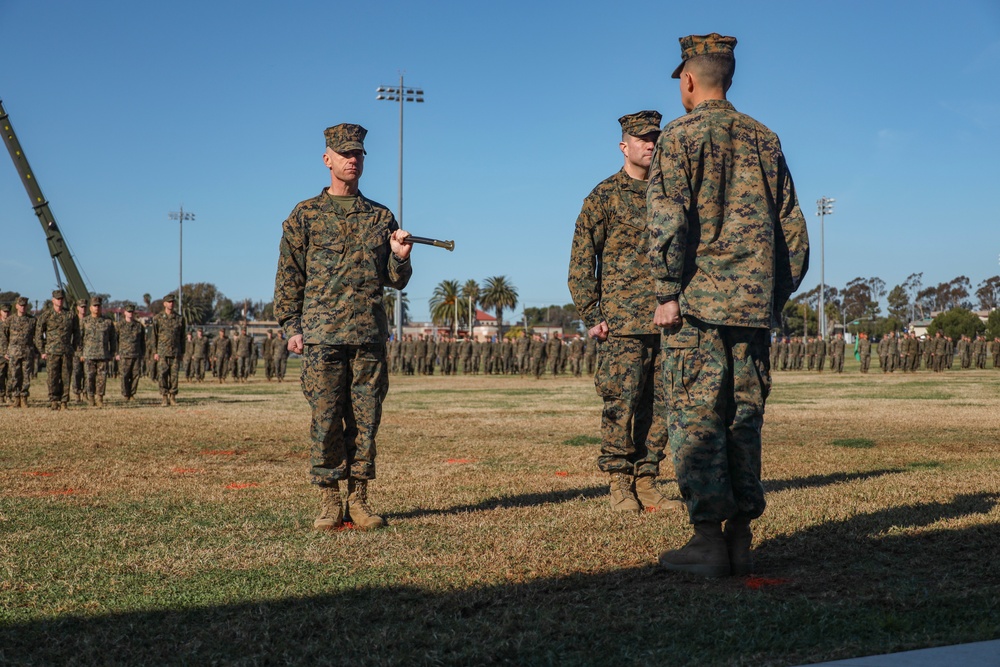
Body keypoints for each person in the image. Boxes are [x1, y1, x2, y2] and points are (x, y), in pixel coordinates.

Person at [647, 33, 809, 576]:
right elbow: (793, 233)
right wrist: (771, 297)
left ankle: (706, 542)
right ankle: (741, 537)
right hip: (752, 309)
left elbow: (667, 219)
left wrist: (667, 290)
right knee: (744, 416)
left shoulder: (680, 137)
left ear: (688, 81)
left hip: (697, 307)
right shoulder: (765, 138)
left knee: (696, 419)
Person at [274, 122, 413, 531]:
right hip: (321, 337)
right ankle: (329, 499)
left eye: (358, 154)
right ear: (327, 159)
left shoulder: (380, 216)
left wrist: (401, 256)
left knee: (366, 419)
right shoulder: (305, 215)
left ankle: (360, 499)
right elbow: (289, 276)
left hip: (368, 335)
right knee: (326, 417)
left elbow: (395, 279)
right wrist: (291, 326)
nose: (353, 159)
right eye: (345, 153)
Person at [568, 110, 679, 514]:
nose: (651, 144)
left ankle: (647, 479)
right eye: (643, 138)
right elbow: (582, 260)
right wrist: (591, 311)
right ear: (624, 146)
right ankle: (619, 483)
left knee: (662, 405)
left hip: (668, 321)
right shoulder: (603, 196)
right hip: (621, 324)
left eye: (656, 137)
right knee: (621, 403)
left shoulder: (671, 194)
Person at [35, 289, 79, 410]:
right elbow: (38, 333)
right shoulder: (46, 315)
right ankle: (54, 400)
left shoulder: (70, 315)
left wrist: (74, 348)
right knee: (52, 377)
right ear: (53, 300)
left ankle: (64, 401)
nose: (60, 301)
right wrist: (42, 351)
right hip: (51, 352)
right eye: (57, 299)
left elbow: (77, 333)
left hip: (66, 351)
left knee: (66, 377)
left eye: (61, 299)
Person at [80, 296, 116, 407]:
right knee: (89, 377)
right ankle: (91, 397)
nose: (97, 308)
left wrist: (112, 353)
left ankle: (99, 398)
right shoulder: (84, 321)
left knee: (102, 378)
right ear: (90, 308)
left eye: (99, 306)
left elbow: (112, 339)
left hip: (103, 354)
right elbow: (79, 339)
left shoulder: (108, 322)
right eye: (94, 306)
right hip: (88, 354)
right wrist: (80, 353)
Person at [152, 293, 185, 405]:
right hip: (162, 352)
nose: (171, 304)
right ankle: (164, 396)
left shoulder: (179, 319)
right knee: (162, 375)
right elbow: (154, 336)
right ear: (164, 304)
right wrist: (155, 352)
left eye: (173, 302)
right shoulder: (158, 318)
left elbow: (182, 337)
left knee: (174, 376)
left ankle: (173, 396)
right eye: (169, 302)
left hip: (175, 352)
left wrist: (182, 352)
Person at [5, 297, 37, 408]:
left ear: (27, 306)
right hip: (14, 352)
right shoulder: (10, 320)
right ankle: (16, 398)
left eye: (24, 305)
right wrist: (5, 350)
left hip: (27, 352)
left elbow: (36, 336)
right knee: (14, 375)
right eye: (21, 305)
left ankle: (24, 398)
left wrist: (37, 350)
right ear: (17, 306)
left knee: (26, 376)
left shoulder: (32, 320)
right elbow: (4, 336)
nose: (22, 307)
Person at [116, 303, 145, 401]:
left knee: (135, 375)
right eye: (128, 312)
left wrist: (143, 353)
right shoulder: (120, 325)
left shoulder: (138, 326)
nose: (130, 314)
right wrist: (116, 353)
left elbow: (142, 341)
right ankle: (125, 394)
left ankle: (132, 393)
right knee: (124, 375)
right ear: (125, 313)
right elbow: (115, 340)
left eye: (132, 312)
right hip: (124, 355)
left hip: (136, 354)